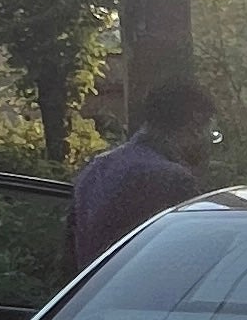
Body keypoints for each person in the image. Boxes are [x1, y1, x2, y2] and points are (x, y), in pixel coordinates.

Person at [67, 77, 220, 271]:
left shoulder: (96, 169)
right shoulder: (174, 180)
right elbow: (193, 261)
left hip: (95, 289)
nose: (210, 145)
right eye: (212, 135)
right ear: (196, 125)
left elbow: (69, 259)